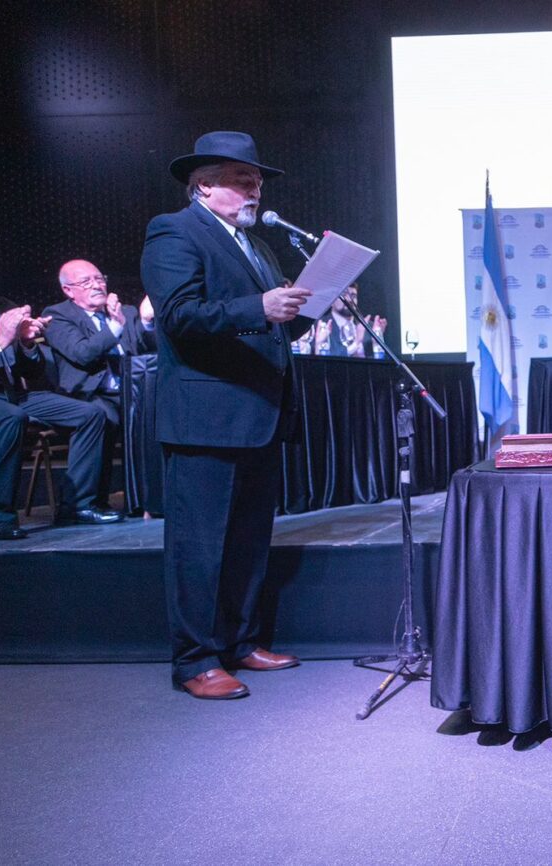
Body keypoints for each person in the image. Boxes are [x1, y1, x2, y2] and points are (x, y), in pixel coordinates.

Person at [140, 131, 313, 700]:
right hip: (207, 417)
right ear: (203, 186)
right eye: (242, 180)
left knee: (246, 542)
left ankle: (240, 641)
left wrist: (311, 303)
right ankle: (195, 660)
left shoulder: (257, 246)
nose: (254, 189)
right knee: (199, 546)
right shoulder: (174, 231)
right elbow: (180, 317)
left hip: (258, 414)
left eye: (257, 181)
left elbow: (271, 327)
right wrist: (259, 306)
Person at [0, 231, 120, 540]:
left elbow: (30, 370)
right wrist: (0, 341)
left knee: (91, 414)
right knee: (10, 417)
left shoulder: (3, 305)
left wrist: (25, 343)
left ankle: (77, 505)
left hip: (11, 393)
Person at [42, 260, 157, 508]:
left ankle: (152, 498)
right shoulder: (58, 316)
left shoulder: (126, 312)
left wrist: (147, 321)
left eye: (99, 279)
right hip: (88, 394)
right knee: (105, 417)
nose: (96, 285)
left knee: (159, 415)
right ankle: (88, 503)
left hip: (131, 393)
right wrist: (115, 327)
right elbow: (82, 353)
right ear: (68, 290)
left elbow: (148, 349)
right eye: (86, 282)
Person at [300, 282, 388, 357]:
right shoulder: (319, 326)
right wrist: (356, 343)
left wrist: (377, 340)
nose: (349, 300)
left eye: (353, 296)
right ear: (332, 300)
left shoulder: (368, 328)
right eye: (344, 295)